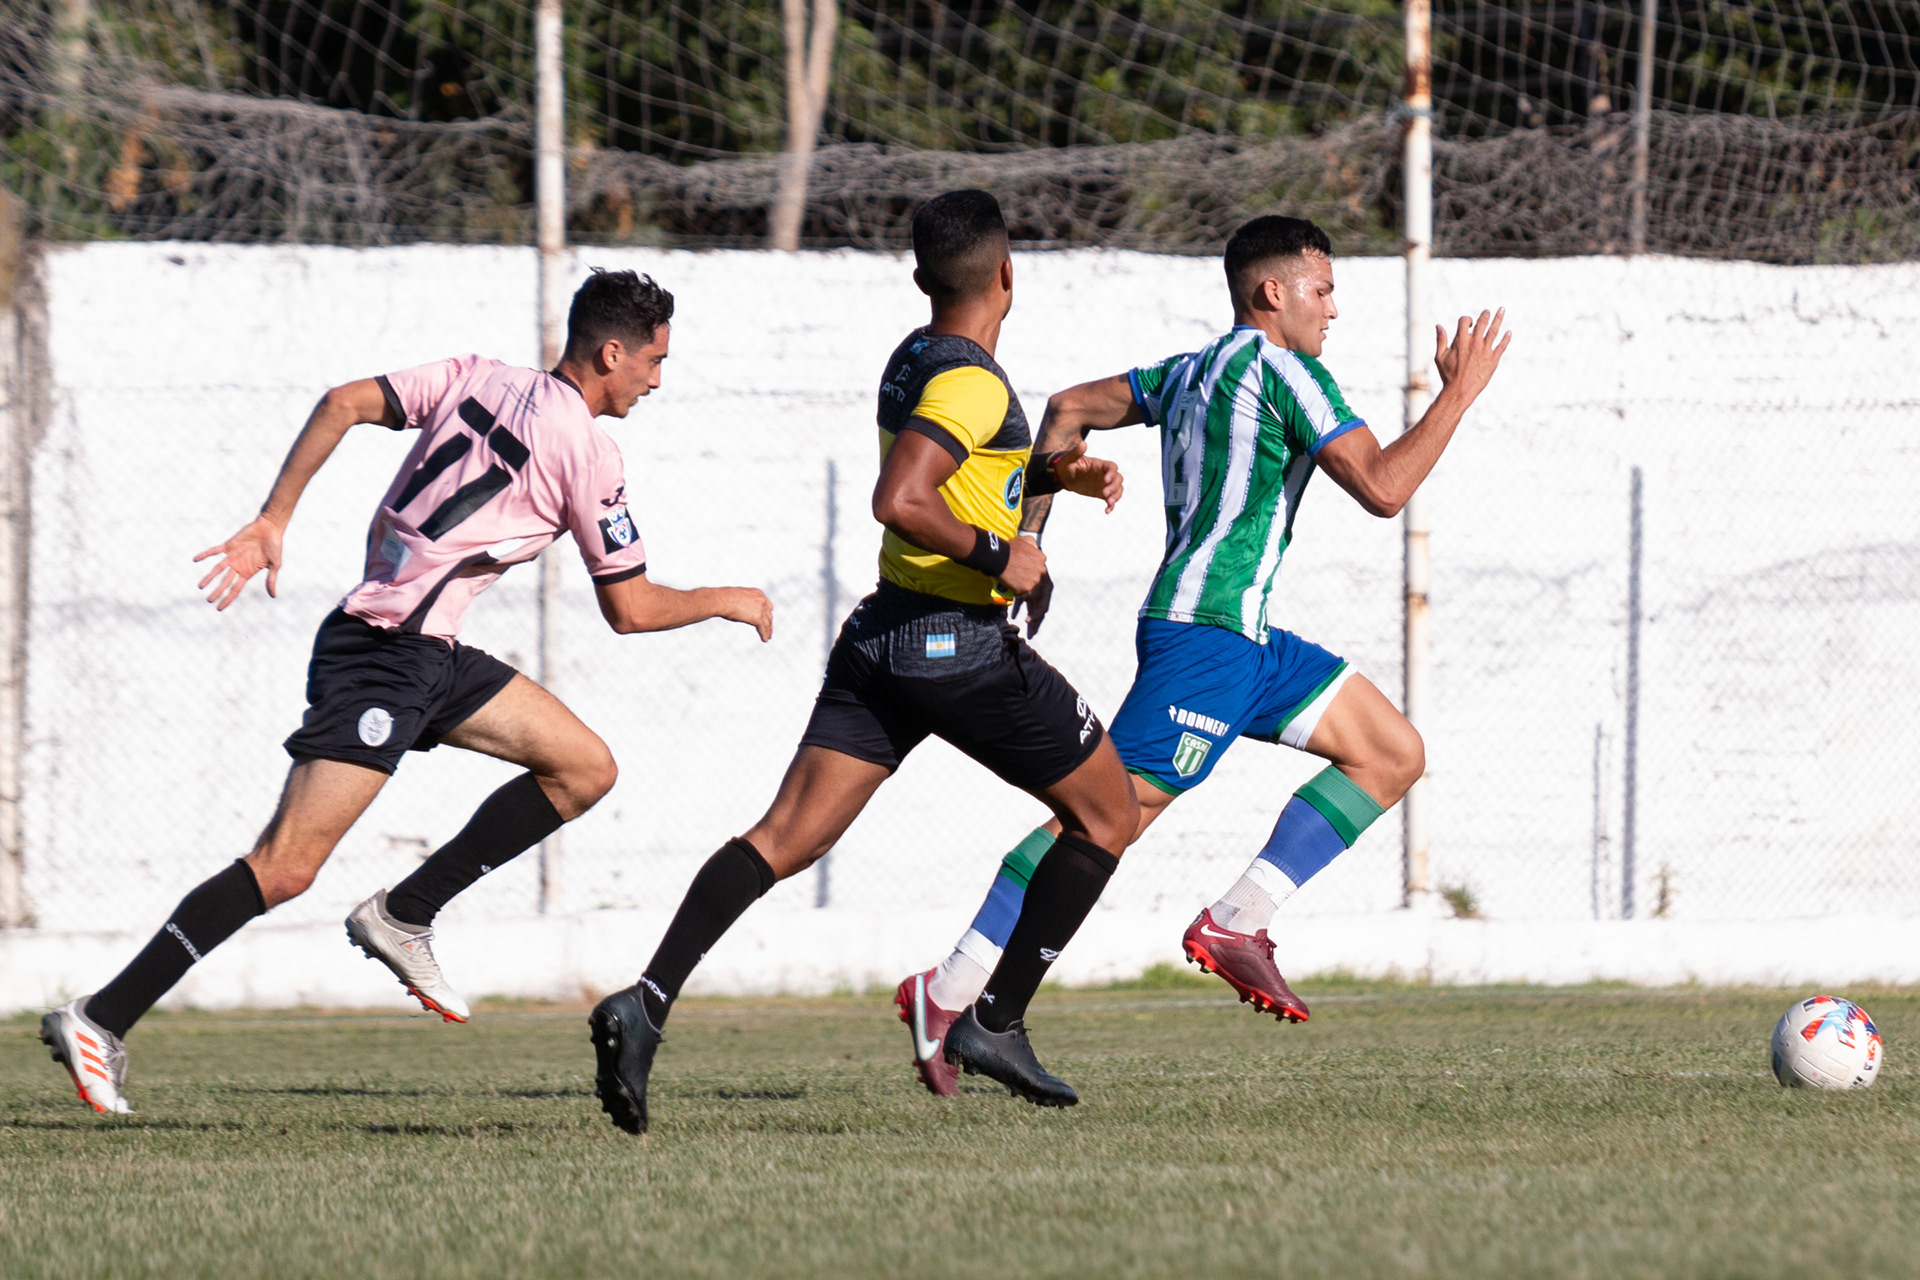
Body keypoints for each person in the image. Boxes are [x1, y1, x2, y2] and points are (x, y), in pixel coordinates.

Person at [40, 269, 772, 1116]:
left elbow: (343, 401)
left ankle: (405, 912)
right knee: (284, 867)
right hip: (385, 657)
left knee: (583, 768)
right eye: (653, 360)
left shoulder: (477, 374)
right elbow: (632, 609)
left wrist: (275, 516)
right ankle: (101, 1016)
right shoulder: (590, 453)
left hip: (429, 653)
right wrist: (732, 600)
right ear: (612, 352)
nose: (656, 379)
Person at [894, 215, 1511, 1095]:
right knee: (1097, 822)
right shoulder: (1289, 373)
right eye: (1323, 289)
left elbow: (1068, 407)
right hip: (1205, 643)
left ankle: (1239, 919)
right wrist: (1459, 393)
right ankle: (952, 990)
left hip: (1250, 640)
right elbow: (1382, 487)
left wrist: (1033, 534)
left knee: (1392, 752)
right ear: (1274, 293)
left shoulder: (1188, 372)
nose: (1333, 310)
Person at [586, 190, 1139, 1135]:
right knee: (1108, 814)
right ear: (1008, 273)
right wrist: (1005, 555)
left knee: (784, 838)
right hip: (955, 647)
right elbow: (904, 496)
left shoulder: (919, 358)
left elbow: (963, 467)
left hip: (881, 639)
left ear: (924, 278)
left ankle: (645, 1001)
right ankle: (993, 1021)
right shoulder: (974, 383)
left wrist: (1050, 475)